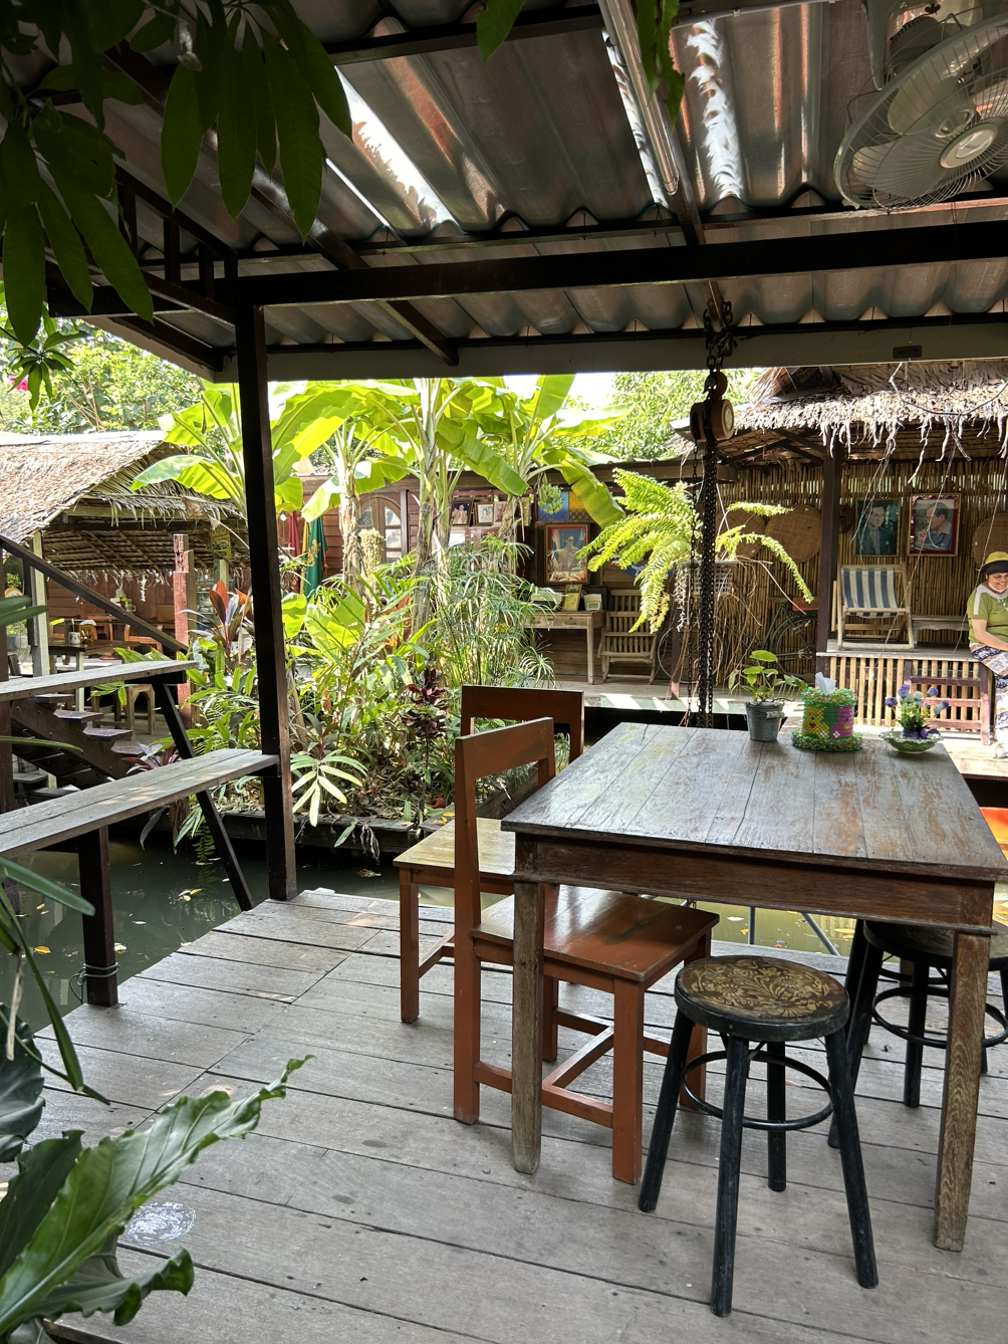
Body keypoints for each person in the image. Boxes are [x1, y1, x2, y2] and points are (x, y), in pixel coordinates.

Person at [968, 552, 1008, 757]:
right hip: (984, 645)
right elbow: (980, 634)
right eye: (997, 576)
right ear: (987, 576)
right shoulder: (980, 596)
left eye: (1006, 576)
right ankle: (1004, 737)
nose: (1002, 580)